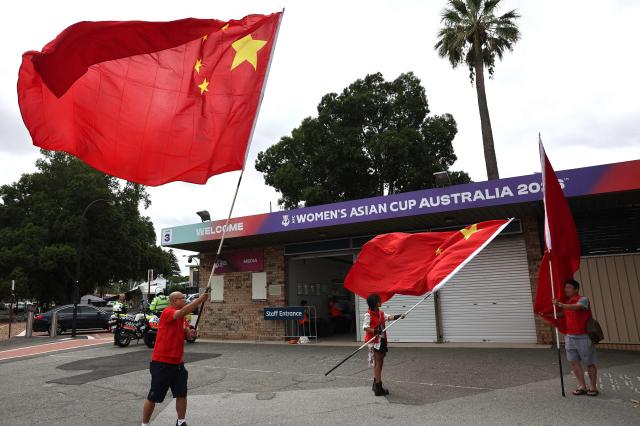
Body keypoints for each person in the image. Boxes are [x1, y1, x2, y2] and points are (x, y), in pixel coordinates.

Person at [141, 291, 209, 426]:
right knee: (153, 396)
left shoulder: (182, 318)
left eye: (185, 297)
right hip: (162, 363)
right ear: (173, 301)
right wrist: (199, 300)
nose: (185, 300)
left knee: (181, 393)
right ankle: (144, 424)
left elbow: (187, 335)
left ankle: (181, 421)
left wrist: (190, 333)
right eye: (182, 298)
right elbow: (183, 311)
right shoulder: (168, 312)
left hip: (177, 363)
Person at [554, 279, 598, 397]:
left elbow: (577, 307)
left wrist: (561, 305)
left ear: (576, 289)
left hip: (583, 337)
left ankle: (593, 387)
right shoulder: (568, 302)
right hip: (570, 337)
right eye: (565, 287)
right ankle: (582, 386)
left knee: (589, 363)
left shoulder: (583, 300)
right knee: (574, 362)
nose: (565, 290)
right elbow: (563, 314)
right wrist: (546, 314)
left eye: (568, 287)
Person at [362, 293, 404, 396]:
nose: (381, 302)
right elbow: (365, 327)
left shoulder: (381, 313)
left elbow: (389, 317)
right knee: (378, 363)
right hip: (374, 341)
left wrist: (399, 316)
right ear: (374, 303)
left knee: (380, 363)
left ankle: (376, 383)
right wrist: (376, 331)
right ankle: (378, 387)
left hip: (382, 340)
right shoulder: (368, 314)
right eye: (379, 300)